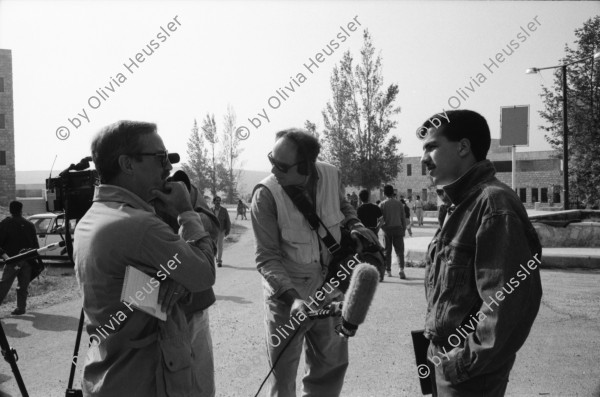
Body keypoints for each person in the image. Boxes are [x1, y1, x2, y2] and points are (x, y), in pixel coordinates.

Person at [74, 120, 216, 397]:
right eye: (160, 157)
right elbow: (203, 275)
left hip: (114, 377)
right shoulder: (139, 225)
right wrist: (187, 212)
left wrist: (170, 285)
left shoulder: (94, 217)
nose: (168, 167)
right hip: (146, 382)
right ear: (127, 164)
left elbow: (128, 290)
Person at [418, 110, 542, 396]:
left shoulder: (493, 205)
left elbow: (507, 303)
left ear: (463, 147)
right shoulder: (457, 205)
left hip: (470, 373)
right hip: (445, 359)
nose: (424, 159)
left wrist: (463, 362)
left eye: (432, 147)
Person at [251, 128, 379, 397]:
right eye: (271, 161)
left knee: (331, 369)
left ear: (306, 167)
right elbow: (267, 258)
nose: (274, 170)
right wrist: (293, 299)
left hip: (330, 287)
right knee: (283, 377)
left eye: (282, 166)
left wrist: (354, 224)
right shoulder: (266, 195)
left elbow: (343, 206)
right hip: (287, 293)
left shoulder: (331, 175)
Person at [157, 170, 219, 397]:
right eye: (158, 157)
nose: (164, 165)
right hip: (153, 315)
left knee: (201, 387)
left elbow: (213, 226)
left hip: (194, 306)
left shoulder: (179, 188)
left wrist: (185, 213)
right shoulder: (126, 199)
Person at [0, 201, 39, 315]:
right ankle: (21, 308)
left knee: (4, 285)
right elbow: (35, 246)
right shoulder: (29, 224)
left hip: (13, 260)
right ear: (21, 209)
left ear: (10, 210)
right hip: (28, 260)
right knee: (23, 286)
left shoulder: (5, 223)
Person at [379, 185, 406, 279]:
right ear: (393, 192)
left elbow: (380, 219)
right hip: (398, 228)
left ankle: (388, 270)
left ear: (384, 193)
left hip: (387, 229)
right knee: (399, 251)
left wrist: (382, 227)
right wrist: (404, 229)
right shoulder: (399, 203)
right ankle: (401, 269)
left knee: (387, 251)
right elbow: (403, 217)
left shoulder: (382, 204)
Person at [212, 196, 231, 267]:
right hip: (212, 231)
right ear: (214, 202)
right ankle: (214, 259)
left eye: (219, 200)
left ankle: (219, 261)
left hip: (221, 230)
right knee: (213, 246)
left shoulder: (224, 210)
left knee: (220, 245)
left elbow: (228, 221)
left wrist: (228, 230)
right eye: (216, 201)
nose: (218, 202)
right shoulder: (210, 210)